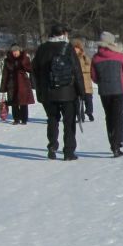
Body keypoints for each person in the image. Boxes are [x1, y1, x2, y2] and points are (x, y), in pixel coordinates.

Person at [31, 23, 84, 160]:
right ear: (63, 34)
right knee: (69, 121)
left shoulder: (42, 48)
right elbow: (76, 70)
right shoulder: (68, 48)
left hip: (48, 92)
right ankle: (68, 152)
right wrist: (81, 91)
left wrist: (39, 91)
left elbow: (35, 71)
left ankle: (52, 146)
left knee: (52, 119)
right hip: (67, 91)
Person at [90, 31, 123, 157]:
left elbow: (94, 77)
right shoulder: (119, 56)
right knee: (118, 116)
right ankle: (117, 144)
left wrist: (102, 81)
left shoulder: (96, 58)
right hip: (118, 89)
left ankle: (112, 143)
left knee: (109, 116)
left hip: (104, 91)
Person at [0, 43, 35, 124]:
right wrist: (3, 87)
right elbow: (5, 74)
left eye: (16, 51)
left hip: (23, 84)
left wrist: (24, 61)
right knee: (13, 103)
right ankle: (16, 119)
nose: (15, 53)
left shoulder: (25, 58)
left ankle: (24, 119)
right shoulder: (8, 60)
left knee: (23, 102)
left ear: (19, 51)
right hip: (11, 84)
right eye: (13, 51)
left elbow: (30, 69)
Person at [70, 38, 94, 122]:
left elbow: (90, 67)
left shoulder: (85, 57)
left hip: (86, 81)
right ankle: (80, 115)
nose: (76, 49)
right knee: (77, 100)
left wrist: (81, 70)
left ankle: (89, 112)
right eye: (74, 47)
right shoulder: (71, 57)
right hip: (76, 81)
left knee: (88, 98)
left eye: (77, 47)